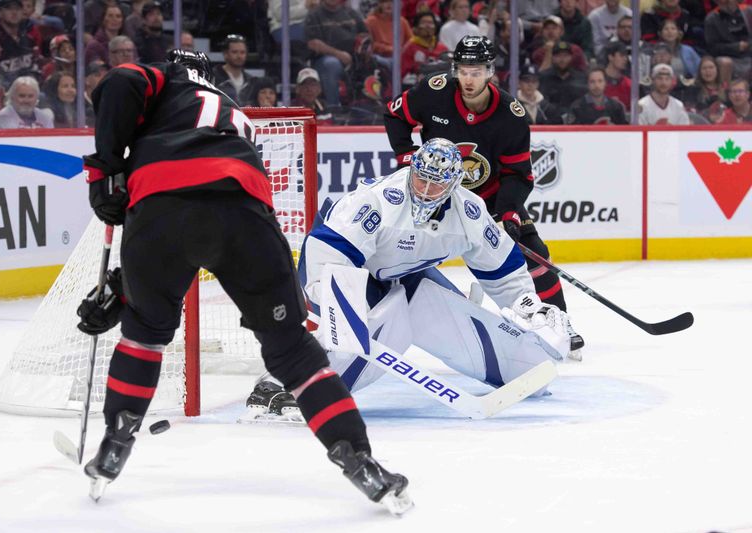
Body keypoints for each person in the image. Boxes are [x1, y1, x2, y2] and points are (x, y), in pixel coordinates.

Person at [79, 49, 412, 513]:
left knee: (144, 336)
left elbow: (119, 82)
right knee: (293, 351)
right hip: (244, 212)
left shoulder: (166, 80)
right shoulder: (231, 111)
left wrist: (105, 170)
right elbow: (208, 203)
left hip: (160, 207)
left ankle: (116, 440)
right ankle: (359, 460)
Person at [243, 138, 570, 420]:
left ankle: (526, 363)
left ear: (454, 185)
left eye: (436, 185)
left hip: (407, 277)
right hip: (348, 273)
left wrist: (531, 311)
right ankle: (288, 382)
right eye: (420, 180)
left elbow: (504, 270)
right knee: (361, 337)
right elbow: (328, 252)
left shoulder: (469, 213)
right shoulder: (378, 201)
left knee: (531, 371)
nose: (425, 191)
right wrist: (343, 313)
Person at [383, 35, 584, 356]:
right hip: (433, 195)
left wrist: (507, 214)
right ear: (455, 70)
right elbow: (394, 115)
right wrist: (407, 156)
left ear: (491, 72)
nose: (469, 79)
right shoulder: (434, 92)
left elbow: (518, 176)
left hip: (487, 202)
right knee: (392, 246)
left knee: (536, 254)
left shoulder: (512, 116)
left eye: (476, 71)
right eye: (463, 70)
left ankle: (560, 322)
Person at [305, 0, 370, 107]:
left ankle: (379, 108)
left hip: (355, 57)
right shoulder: (314, 14)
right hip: (325, 59)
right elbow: (313, 43)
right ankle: (333, 109)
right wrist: (339, 54)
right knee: (331, 64)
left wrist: (365, 49)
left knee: (385, 62)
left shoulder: (350, 12)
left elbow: (364, 34)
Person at [400, 12, 448, 87]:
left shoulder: (442, 48)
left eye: (431, 23)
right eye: (424, 23)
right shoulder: (410, 47)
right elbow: (402, 73)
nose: (428, 26)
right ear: (415, 28)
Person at [539, 41, 589, 111]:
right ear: (552, 58)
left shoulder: (581, 78)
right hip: (550, 119)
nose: (562, 59)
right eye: (558, 56)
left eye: (566, 56)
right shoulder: (543, 77)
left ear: (571, 57)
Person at [213, 34, 255, 104]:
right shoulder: (213, 77)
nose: (239, 56)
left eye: (242, 52)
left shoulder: (251, 80)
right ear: (225, 54)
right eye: (234, 52)